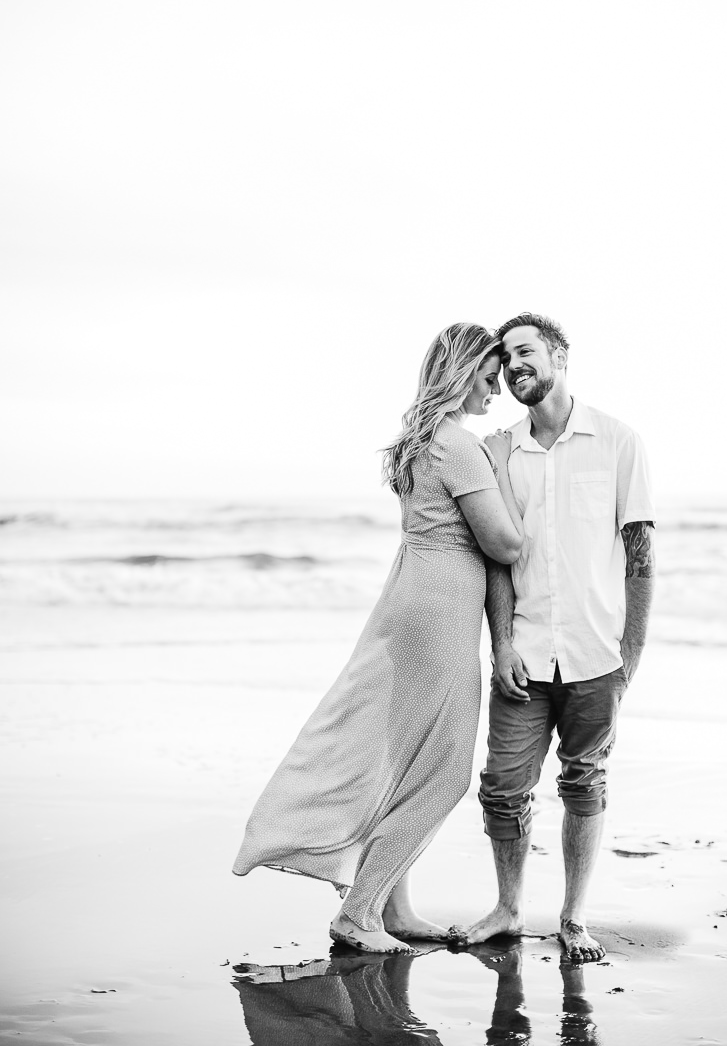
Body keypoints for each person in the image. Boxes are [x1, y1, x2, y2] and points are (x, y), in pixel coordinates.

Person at [233, 322, 524, 954]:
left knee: (401, 756)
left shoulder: (419, 443)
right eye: (489, 375)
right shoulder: (459, 444)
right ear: (463, 368)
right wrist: (502, 471)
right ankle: (358, 913)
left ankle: (395, 909)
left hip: (409, 598)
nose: (496, 390)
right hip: (439, 611)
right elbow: (505, 543)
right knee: (444, 773)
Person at [460, 312, 656, 963]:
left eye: (525, 352)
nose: (515, 367)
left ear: (559, 355)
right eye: (505, 358)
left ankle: (573, 918)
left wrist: (629, 657)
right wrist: (502, 643)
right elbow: (497, 560)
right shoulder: (497, 451)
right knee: (503, 788)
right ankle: (510, 908)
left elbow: (640, 553)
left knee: (585, 780)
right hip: (525, 653)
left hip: (597, 655)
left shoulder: (619, 442)